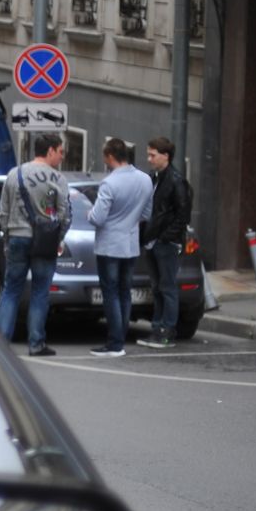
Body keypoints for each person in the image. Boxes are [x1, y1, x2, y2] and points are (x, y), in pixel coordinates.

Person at [0, 131, 71, 357]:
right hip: (45, 241)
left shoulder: (14, 174)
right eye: (60, 152)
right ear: (50, 151)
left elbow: (3, 212)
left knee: (11, 290)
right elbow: (65, 215)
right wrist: (57, 238)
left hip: (18, 236)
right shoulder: (58, 179)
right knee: (40, 292)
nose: (61, 157)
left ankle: (0, 343)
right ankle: (36, 343)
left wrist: (8, 238)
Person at [86, 138, 155, 357]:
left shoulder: (109, 183)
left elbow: (97, 218)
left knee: (111, 293)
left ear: (110, 157)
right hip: (130, 243)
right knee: (125, 292)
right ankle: (121, 338)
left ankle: (115, 343)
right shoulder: (145, 179)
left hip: (109, 245)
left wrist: (89, 213)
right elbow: (146, 214)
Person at [141, 135, 192, 349]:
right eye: (148, 155)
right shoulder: (156, 178)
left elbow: (183, 214)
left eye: (153, 155)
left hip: (165, 242)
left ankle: (167, 331)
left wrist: (165, 238)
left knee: (167, 287)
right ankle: (157, 328)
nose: (149, 159)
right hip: (154, 240)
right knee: (158, 286)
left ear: (165, 156)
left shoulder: (176, 180)